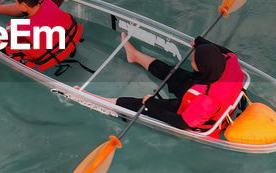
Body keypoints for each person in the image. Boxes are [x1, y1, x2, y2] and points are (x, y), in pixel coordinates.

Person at [102, 36, 245, 132]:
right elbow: (225, 51)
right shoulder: (230, 60)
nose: (191, 60)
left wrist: (152, 104)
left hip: (197, 117)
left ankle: (105, 102)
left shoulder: (205, 101)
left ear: (200, 68)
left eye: (193, 60)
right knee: (174, 74)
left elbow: (181, 123)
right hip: (209, 87)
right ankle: (133, 55)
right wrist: (202, 42)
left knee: (145, 105)